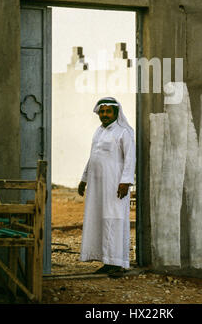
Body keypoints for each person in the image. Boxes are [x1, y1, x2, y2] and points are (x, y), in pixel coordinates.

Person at [78, 97, 136, 275]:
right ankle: (107, 261)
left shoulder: (123, 132)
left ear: (116, 113)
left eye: (107, 111)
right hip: (97, 186)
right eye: (101, 111)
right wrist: (84, 179)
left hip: (115, 185)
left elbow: (130, 158)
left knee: (115, 219)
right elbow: (93, 157)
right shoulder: (98, 131)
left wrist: (125, 182)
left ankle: (118, 263)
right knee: (101, 219)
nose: (104, 115)